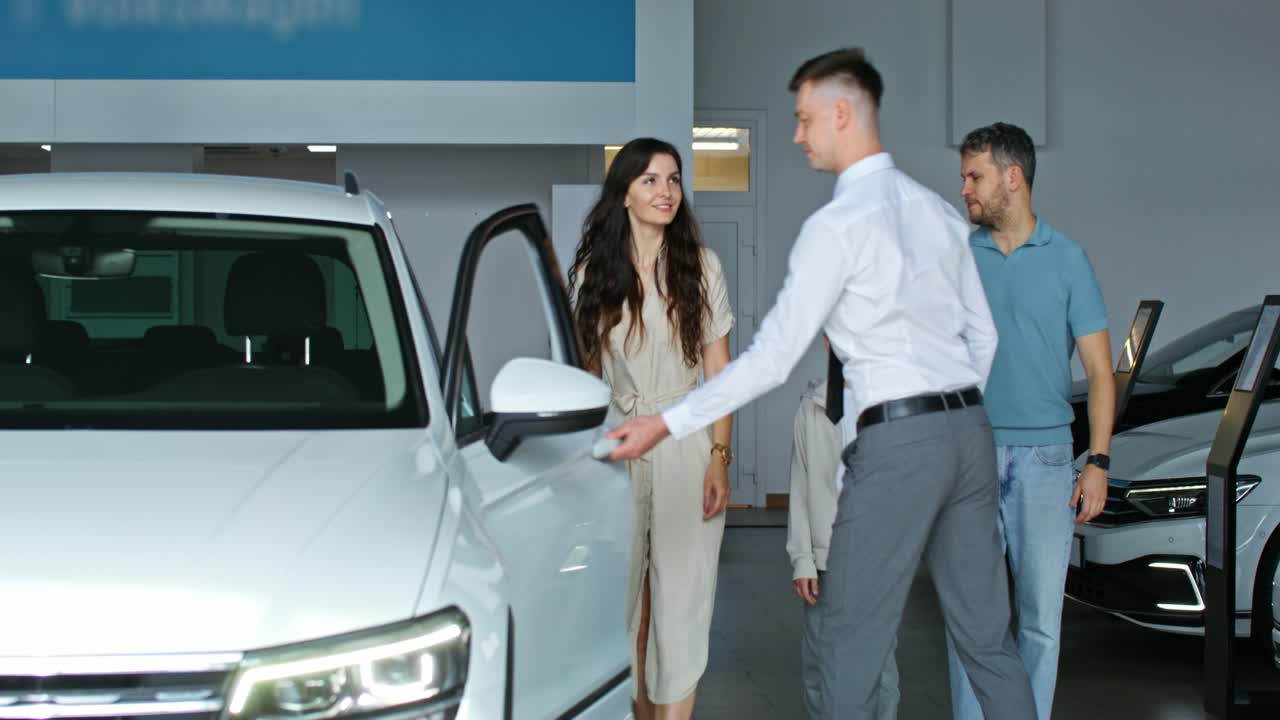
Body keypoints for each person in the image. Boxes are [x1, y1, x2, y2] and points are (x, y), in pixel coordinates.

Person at [605, 47, 1037, 720]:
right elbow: (984, 338)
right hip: (970, 433)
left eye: (805, 119)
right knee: (989, 642)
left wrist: (666, 423)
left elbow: (772, 360)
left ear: (843, 113)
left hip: (900, 447)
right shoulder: (938, 213)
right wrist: (946, 409)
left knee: (845, 642)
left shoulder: (835, 227)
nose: (799, 134)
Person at [947, 122, 1113, 720]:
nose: (964, 188)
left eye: (975, 177)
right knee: (970, 615)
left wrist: (1097, 460)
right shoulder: (959, 257)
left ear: (1011, 178)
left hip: (1046, 463)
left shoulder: (1068, 260)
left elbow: (1099, 372)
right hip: (968, 457)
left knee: (1042, 619)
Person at [566, 137, 735, 720]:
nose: (666, 191)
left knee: (682, 601)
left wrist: (719, 456)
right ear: (624, 196)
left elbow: (719, 374)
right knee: (618, 604)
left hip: (685, 438)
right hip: (616, 446)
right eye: (651, 180)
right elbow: (586, 380)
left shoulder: (701, 267)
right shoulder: (594, 275)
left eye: (674, 179)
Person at [787, 363, 900, 720]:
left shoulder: (892, 405)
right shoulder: (812, 407)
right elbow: (800, 488)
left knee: (880, 670)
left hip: (876, 559)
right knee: (821, 667)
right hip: (825, 562)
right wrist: (802, 558)